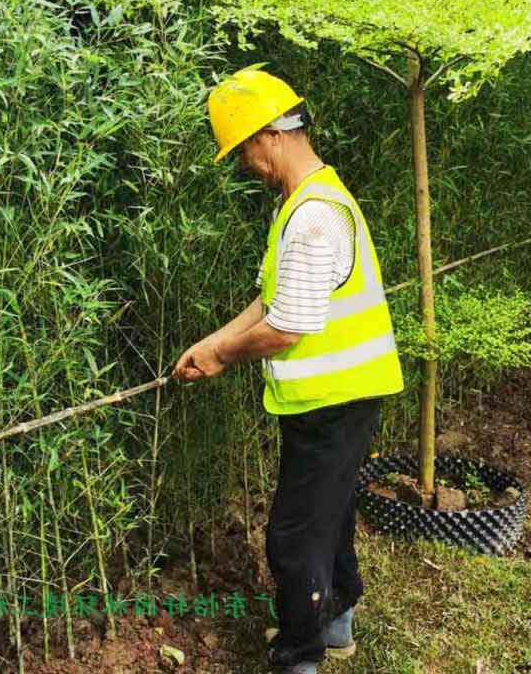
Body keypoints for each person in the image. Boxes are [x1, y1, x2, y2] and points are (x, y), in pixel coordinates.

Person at [173, 66, 404, 674]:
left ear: (270, 134)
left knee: (293, 535)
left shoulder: (309, 217)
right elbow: (270, 302)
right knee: (328, 516)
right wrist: (212, 342)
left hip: (334, 400)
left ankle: (299, 653)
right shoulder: (313, 198)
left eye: (243, 149)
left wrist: (223, 355)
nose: (245, 164)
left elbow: (286, 328)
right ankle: (336, 624)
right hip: (344, 396)